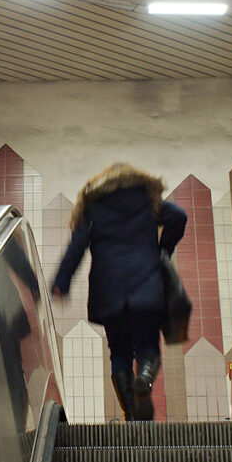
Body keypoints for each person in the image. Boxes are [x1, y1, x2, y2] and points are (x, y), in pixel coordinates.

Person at [52, 163, 187, 421]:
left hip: (108, 290)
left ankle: (131, 414)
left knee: (119, 351)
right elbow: (178, 217)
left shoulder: (93, 205)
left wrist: (62, 281)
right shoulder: (146, 200)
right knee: (147, 343)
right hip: (146, 285)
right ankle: (144, 377)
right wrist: (163, 250)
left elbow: (77, 246)